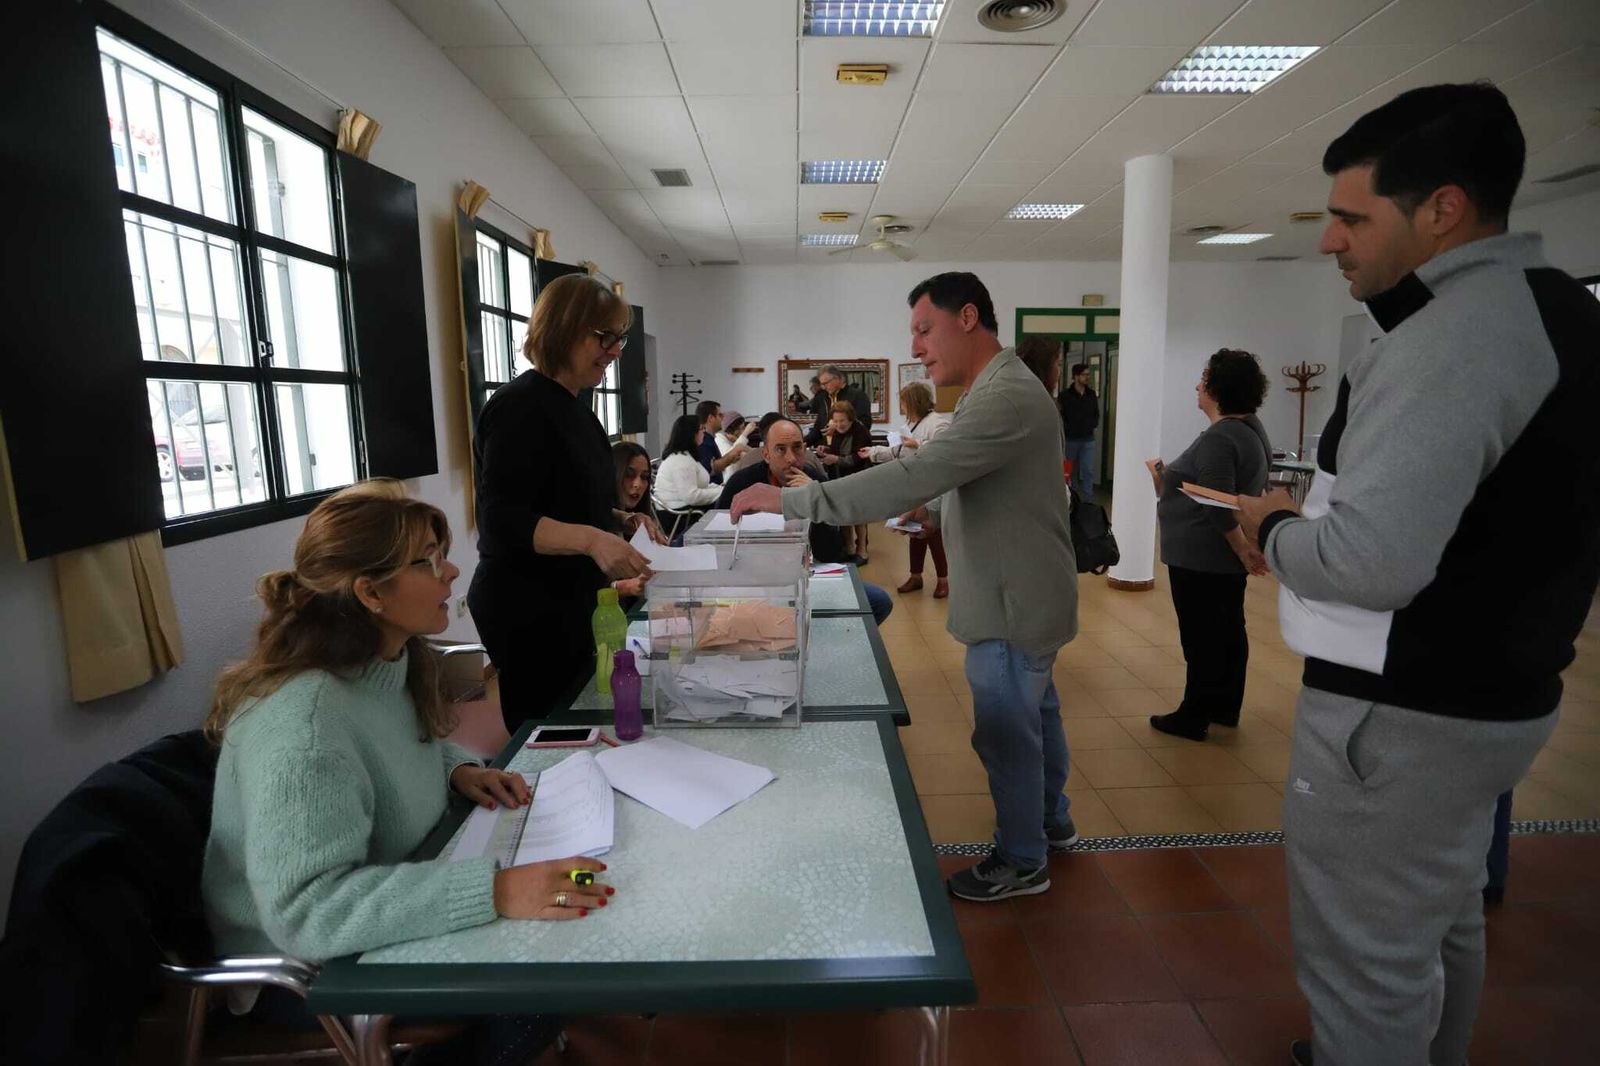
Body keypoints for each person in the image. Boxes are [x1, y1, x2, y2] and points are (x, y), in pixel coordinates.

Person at [1232, 83, 1600, 1066]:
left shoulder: (1457, 334)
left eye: (1351, 217)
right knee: (1439, 919)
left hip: (1401, 717)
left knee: (1364, 962)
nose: (1327, 242)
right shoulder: (1558, 306)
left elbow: (1369, 560)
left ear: (1441, 208)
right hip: (1498, 696)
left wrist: (1271, 530)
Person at [203, 482, 612, 1062]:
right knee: (545, 980)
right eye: (428, 561)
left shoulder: (386, 661)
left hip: (388, 889)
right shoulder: (305, 729)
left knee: (562, 929)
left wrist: (454, 771)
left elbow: (385, 754)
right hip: (310, 965)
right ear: (371, 592)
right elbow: (307, 912)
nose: (450, 574)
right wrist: (493, 890)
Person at [733, 272, 1079, 902]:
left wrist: (792, 500)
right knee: (1037, 715)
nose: (917, 347)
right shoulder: (993, 389)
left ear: (968, 317)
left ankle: (1023, 858)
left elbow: (914, 474)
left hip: (1012, 601)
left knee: (1005, 731)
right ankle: (1051, 822)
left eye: (924, 330)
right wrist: (939, 513)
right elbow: (993, 491)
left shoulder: (1002, 395)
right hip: (1030, 590)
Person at [469, 274, 655, 731]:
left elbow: (567, 498)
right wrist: (593, 539)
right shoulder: (519, 406)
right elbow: (501, 521)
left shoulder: (579, 410)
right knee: (549, 724)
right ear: (562, 329)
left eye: (619, 340)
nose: (614, 352)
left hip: (571, 600)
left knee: (583, 707)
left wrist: (620, 519)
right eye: (604, 338)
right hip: (528, 608)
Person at [1145, 350, 1272, 743]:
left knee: (1202, 636)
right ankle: (1223, 707)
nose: (1197, 385)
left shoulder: (1222, 437)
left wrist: (1242, 550)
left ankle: (1194, 714)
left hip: (1203, 557)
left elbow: (1217, 505)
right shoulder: (1249, 428)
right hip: (1215, 557)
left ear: (1218, 388)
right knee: (1228, 630)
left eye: (1204, 378)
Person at [716, 417, 894, 626]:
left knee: (879, 601)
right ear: (766, 454)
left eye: (797, 448)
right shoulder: (742, 482)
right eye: (780, 450)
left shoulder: (814, 480)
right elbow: (716, 533)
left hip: (807, 572)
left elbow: (831, 553)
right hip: (756, 575)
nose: (791, 458)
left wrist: (813, 501)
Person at [860, 382, 952, 597]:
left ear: (913, 402)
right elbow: (898, 451)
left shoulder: (937, 423)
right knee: (914, 532)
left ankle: (943, 580)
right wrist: (873, 452)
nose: (901, 406)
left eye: (903, 402)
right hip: (915, 486)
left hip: (934, 487)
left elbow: (945, 449)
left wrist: (918, 444)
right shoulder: (911, 423)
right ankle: (916, 576)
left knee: (933, 534)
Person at [817, 400, 872, 565]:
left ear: (851, 419)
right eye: (836, 421)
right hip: (840, 479)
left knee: (858, 517)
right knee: (843, 515)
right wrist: (825, 450)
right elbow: (836, 451)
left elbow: (858, 457)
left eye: (843, 421)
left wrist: (835, 459)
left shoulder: (860, 432)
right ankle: (849, 548)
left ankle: (862, 551)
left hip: (858, 478)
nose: (839, 425)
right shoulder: (837, 432)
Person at [611, 440, 657, 600]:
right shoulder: (596, 521)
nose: (638, 484)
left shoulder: (642, 518)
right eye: (629, 475)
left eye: (644, 477)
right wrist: (623, 588)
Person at [656, 413, 725, 513]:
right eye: (701, 428)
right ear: (692, 433)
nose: (704, 432)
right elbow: (691, 496)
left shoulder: (686, 456)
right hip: (679, 515)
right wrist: (722, 492)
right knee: (726, 503)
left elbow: (701, 486)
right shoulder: (681, 460)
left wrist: (721, 489)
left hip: (685, 508)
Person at [1058, 360, 1098, 503]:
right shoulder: (1065, 396)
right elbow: (1061, 416)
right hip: (1071, 440)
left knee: (1088, 470)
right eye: (1083, 375)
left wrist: (1092, 425)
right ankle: (1072, 500)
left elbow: (1095, 414)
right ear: (1075, 376)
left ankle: (1088, 501)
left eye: (1088, 375)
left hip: (1088, 439)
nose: (1087, 377)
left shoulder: (1091, 394)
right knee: (1069, 472)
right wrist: (1068, 429)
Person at [806, 365, 874, 442]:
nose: (824, 387)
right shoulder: (823, 398)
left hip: (852, 448)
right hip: (828, 449)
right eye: (822, 384)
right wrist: (802, 442)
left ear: (837, 378)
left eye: (826, 383)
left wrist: (838, 427)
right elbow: (818, 428)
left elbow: (865, 424)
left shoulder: (857, 395)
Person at [694, 400, 746, 484]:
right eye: (720, 415)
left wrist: (730, 459)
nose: (722, 418)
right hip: (710, 491)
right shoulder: (703, 439)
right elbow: (711, 467)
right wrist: (733, 453)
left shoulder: (709, 438)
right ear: (711, 418)